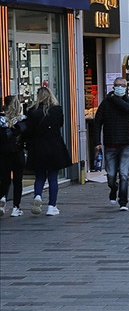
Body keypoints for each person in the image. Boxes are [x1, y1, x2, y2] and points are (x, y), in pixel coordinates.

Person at [22, 87, 73, 216]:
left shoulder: (32, 111)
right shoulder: (57, 109)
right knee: (52, 177)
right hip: (54, 146)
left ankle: (38, 196)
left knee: (39, 176)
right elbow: (60, 124)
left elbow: (29, 130)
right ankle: (52, 206)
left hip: (38, 147)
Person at [93, 77, 129, 211]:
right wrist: (97, 142)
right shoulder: (105, 103)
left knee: (124, 175)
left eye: (122, 85)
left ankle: (123, 202)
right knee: (111, 176)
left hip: (125, 144)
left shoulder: (128, 101)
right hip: (110, 144)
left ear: (126, 87)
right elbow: (97, 122)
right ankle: (113, 188)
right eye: (117, 85)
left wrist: (113, 98)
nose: (119, 87)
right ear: (113, 86)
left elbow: (126, 108)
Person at [1, 96, 26, 217]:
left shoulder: (1, 120)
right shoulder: (22, 120)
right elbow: (27, 136)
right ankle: (16, 207)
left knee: (4, 180)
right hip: (18, 153)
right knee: (18, 181)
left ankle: (2, 198)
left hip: (4, 153)